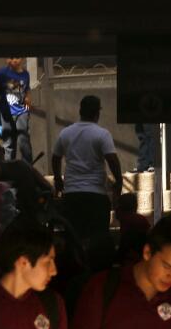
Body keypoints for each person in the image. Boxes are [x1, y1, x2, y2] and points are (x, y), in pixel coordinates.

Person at [52, 94, 122, 243]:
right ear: (97, 113)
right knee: (98, 239)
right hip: (95, 195)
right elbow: (112, 160)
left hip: (71, 195)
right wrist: (119, 181)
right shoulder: (102, 134)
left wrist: (58, 179)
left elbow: (56, 157)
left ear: (80, 111)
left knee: (74, 238)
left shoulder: (66, 133)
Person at [0, 139, 55, 220]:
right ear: (2, 151)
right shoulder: (22, 164)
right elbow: (45, 184)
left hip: (10, 216)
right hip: (32, 210)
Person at [0, 57, 34, 163]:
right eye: (11, 57)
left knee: (23, 140)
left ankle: (27, 168)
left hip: (21, 112)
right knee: (8, 142)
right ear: (6, 59)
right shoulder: (1, 73)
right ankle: (9, 168)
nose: (14, 60)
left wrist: (28, 98)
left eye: (17, 57)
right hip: (5, 112)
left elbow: (27, 89)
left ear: (22, 59)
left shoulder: (25, 74)